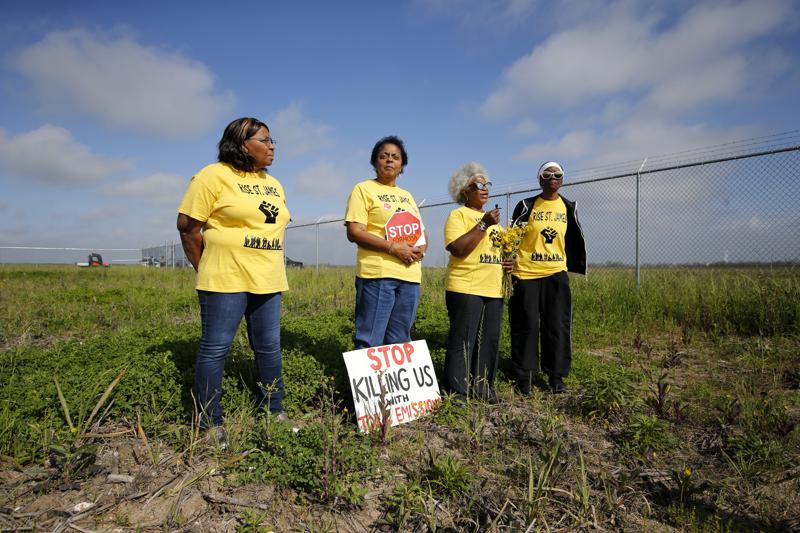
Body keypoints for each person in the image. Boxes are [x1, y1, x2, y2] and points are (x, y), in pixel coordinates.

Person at [177, 117, 291, 442]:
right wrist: (207, 266)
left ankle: (274, 411)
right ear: (243, 144)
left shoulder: (274, 183)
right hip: (225, 278)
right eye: (265, 140)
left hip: (268, 279)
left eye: (272, 141)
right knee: (215, 350)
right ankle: (210, 423)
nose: (272, 146)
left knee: (269, 348)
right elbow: (188, 227)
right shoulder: (213, 176)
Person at [509, 161, 587, 394]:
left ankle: (556, 377)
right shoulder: (526, 205)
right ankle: (524, 377)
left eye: (558, 174)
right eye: (547, 174)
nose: (553, 177)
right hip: (526, 274)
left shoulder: (568, 206)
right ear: (540, 179)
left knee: (557, 326)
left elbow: (573, 238)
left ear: (562, 180)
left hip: (556, 275)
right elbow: (513, 237)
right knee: (527, 325)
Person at [344, 136, 427, 349]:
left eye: (395, 157)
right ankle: (369, 383)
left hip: (409, 276)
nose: (389, 160)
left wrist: (420, 250)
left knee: (400, 339)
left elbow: (421, 234)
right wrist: (392, 247)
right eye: (384, 156)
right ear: (374, 162)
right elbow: (355, 231)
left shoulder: (407, 196)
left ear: (402, 165)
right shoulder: (363, 189)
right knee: (370, 339)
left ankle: (391, 383)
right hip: (378, 275)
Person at [442, 162, 512, 403]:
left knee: (488, 341)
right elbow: (459, 249)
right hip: (466, 287)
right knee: (464, 340)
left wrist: (509, 263)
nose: (484, 189)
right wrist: (483, 224)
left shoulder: (497, 226)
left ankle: (483, 388)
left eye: (486, 185)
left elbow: (501, 255)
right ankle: (457, 392)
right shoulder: (458, 216)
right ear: (465, 191)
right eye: (478, 185)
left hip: (493, 289)